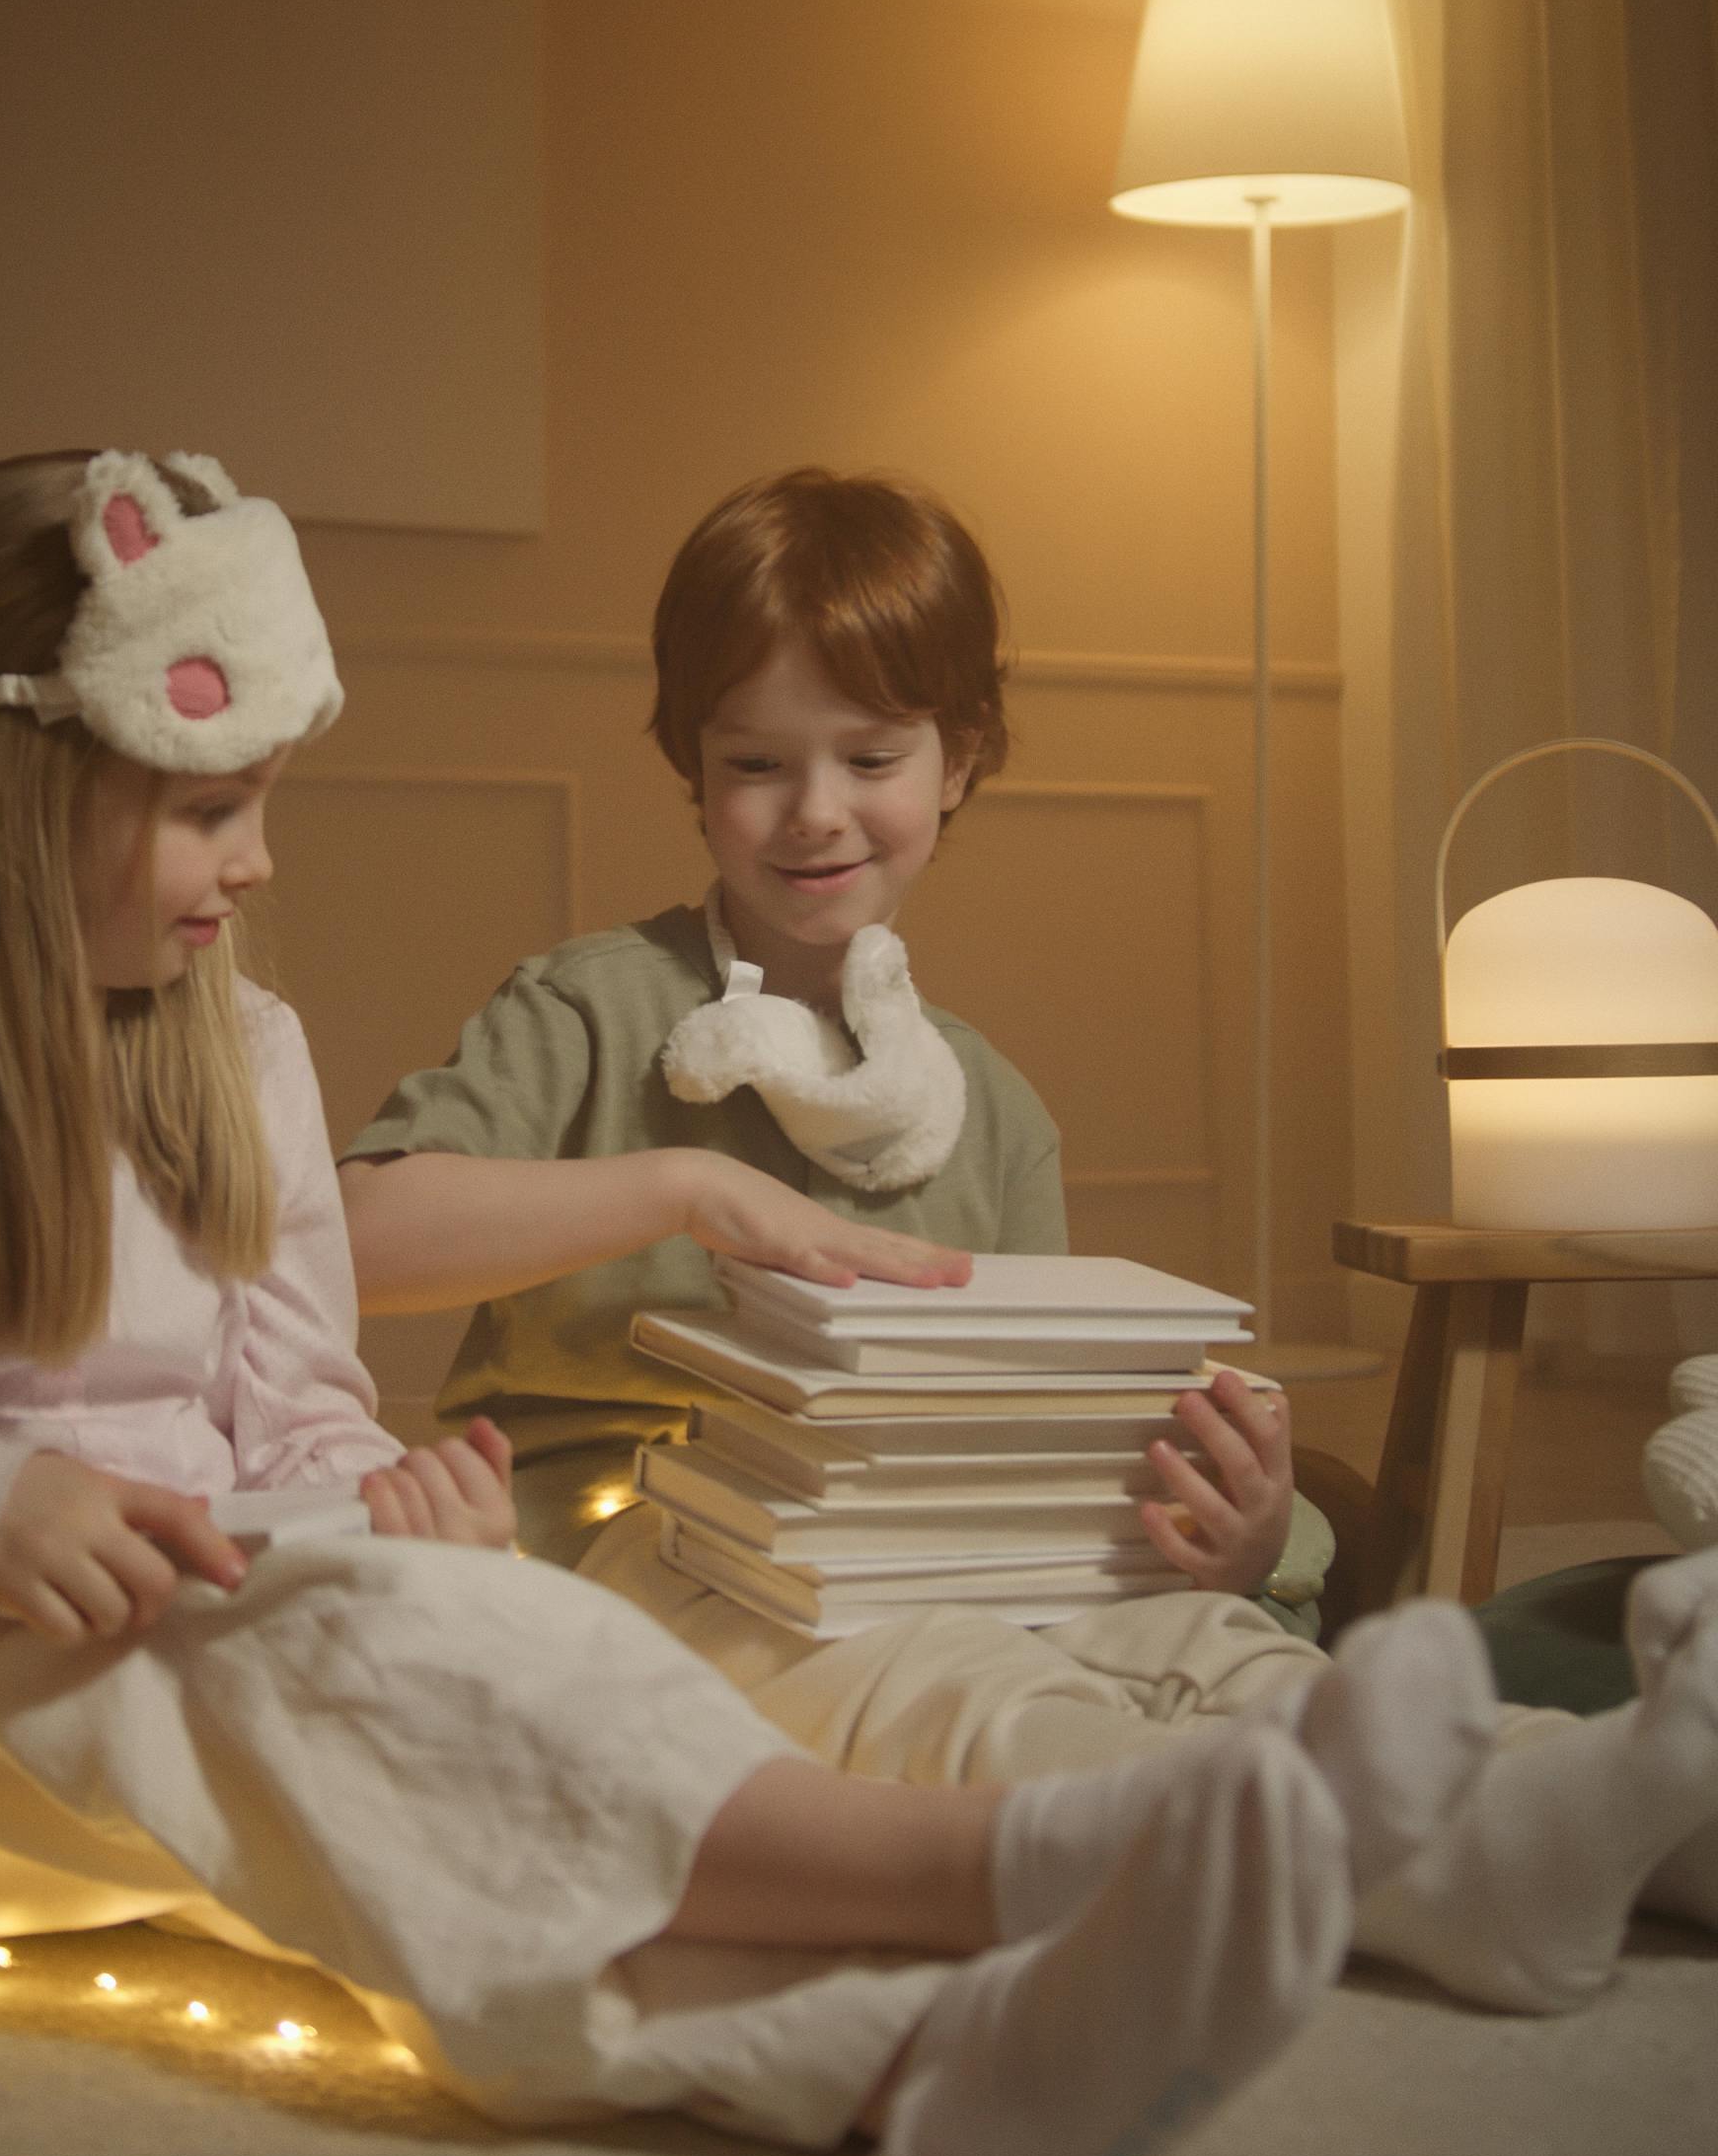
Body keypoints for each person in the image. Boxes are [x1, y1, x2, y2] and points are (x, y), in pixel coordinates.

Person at [0, 455, 1717, 2156]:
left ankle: (938, 2060)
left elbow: (304, 1401)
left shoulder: (227, 1053)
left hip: (254, 1625)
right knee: (441, 1707)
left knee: (464, 1808)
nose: (259, 863)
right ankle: (1047, 1872)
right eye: (205, 808)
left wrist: (382, 1493)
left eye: (257, 804)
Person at [338, 468, 1718, 1981]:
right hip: (646, 1557)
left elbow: (1072, 1451)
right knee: (961, 1695)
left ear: (959, 760)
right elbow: (353, 1234)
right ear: (692, 766)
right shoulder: (592, 1010)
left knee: (1209, 1653)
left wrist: (1233, 1532)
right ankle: (1417, 1876)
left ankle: (1602, 1808)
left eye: (870, 756)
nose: (814, 814)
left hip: (971, 1554)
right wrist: (684, 1188)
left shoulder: (987, 1105)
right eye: (756, 764)